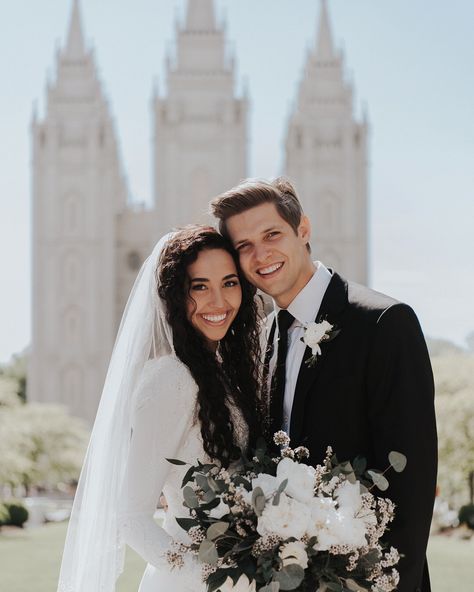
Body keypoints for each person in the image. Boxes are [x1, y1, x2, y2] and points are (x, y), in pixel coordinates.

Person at [210, 177, 438, 592]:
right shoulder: (263, 338)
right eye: (244, 246)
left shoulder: (384, 323)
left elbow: (413, 484)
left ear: (303, 230)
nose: (261, 254)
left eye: (271, 234)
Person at [57, 226, 262, 592]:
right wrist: (214, 580)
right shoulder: (172, 378)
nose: (218, 300)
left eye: (229, 283)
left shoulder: (224, 374)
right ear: (174, 296)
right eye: (199, 286)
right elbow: (132, 517)